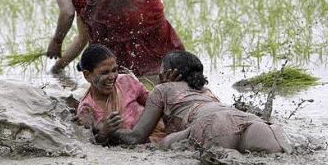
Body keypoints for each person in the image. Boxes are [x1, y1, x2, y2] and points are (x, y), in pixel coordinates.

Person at [29, 0, 184, 77]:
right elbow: (82, 39)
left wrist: (56, 41)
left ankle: (122, 92)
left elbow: (67, 12)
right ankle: (179, 72)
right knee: (151, 28)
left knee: (104, 50)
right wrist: (57, 68)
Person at [105, 51, 292, 154]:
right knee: (270, 161)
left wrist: (105, 132)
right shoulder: (206, 91)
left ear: (171, 73)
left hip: (211, 125)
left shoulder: (162, 89)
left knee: (160, 147)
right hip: (249, 121)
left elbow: (136, 137)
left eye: (161, 70)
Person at [75, 44, 167, 144]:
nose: (112, 77)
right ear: (87, 75)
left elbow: (154, 103)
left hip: (159, 134)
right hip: (139, 147)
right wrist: (103, 133)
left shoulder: (126, 82)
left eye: (114, 70)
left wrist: (163, 88)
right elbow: (90, 145)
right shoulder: (86, 109)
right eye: (105, 73)